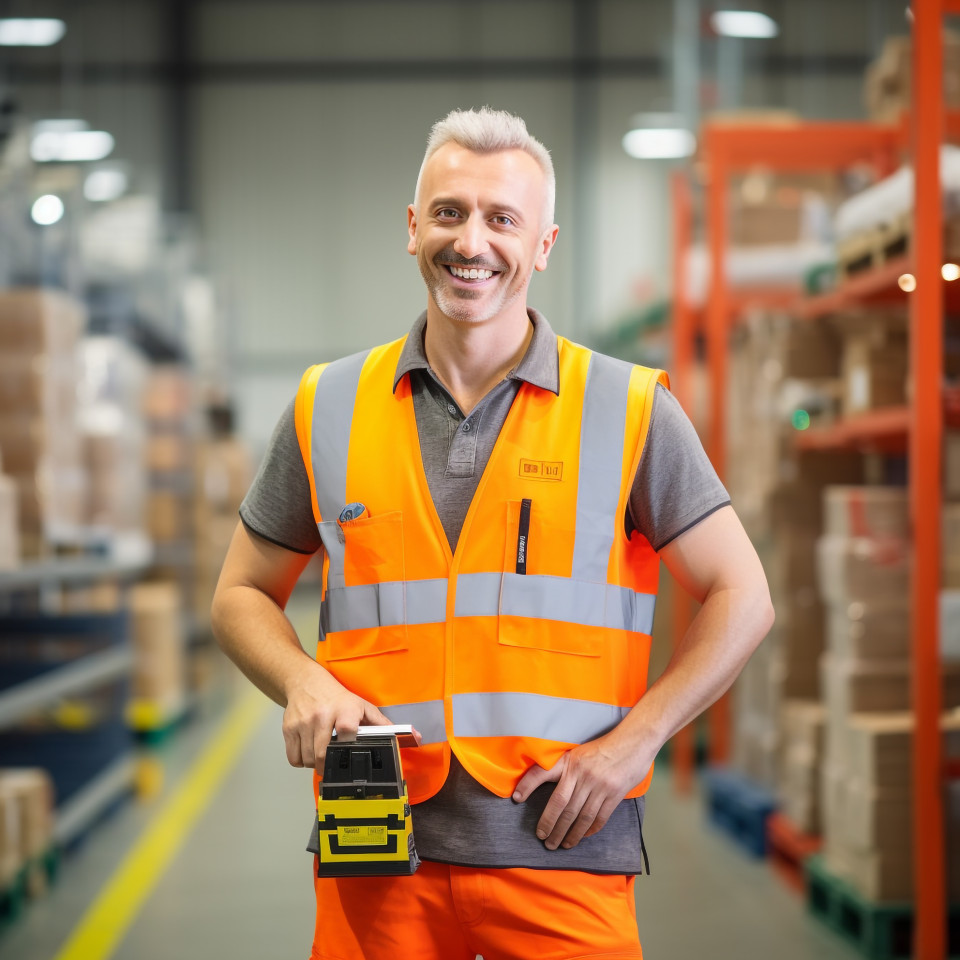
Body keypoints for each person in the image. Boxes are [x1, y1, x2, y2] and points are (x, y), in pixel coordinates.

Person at [211, 106, 774, 960]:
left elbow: (746, 596)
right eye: (449, 211)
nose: (471, 241)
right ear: (412, 228)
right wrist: (300, 680)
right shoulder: (327, 405)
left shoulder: (625, 409)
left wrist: (636, 742)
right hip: (376, 845)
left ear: (543, 244)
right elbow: (240, 592)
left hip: (562, 846)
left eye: (501, 218)